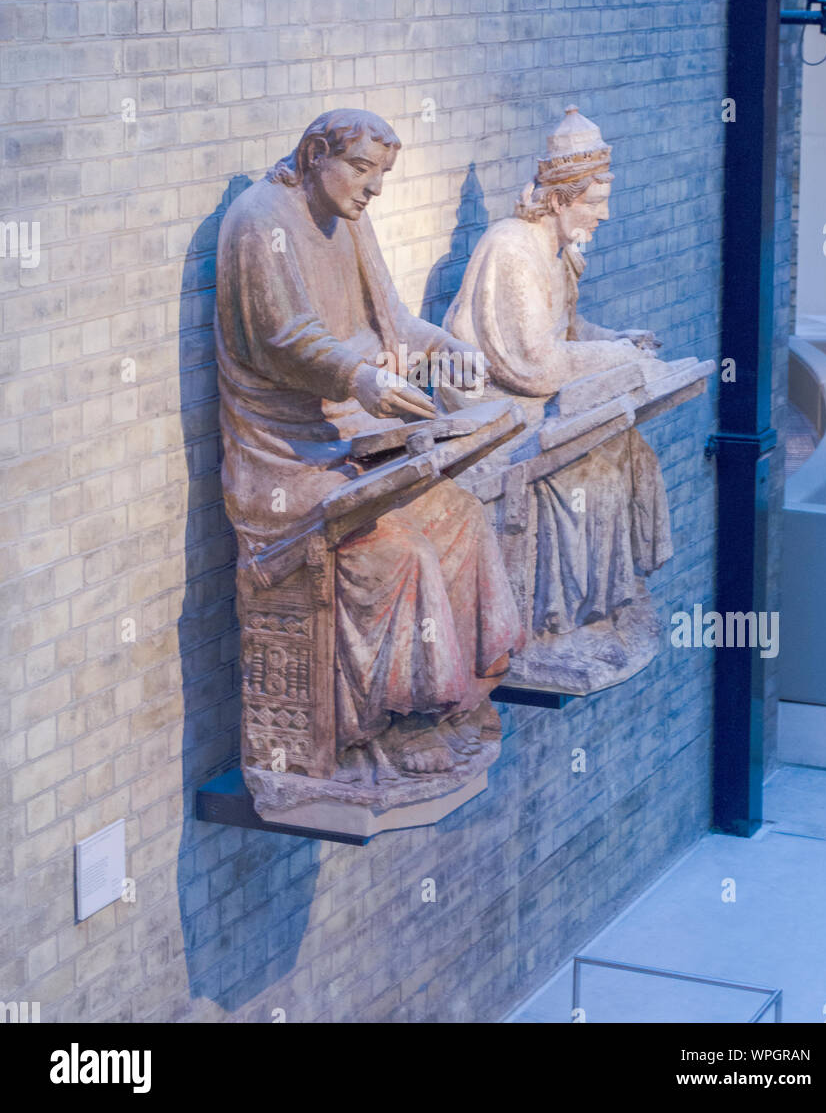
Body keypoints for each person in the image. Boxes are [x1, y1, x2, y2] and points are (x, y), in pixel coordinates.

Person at [215, 109, 522, 781]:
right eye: (361, 169)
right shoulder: (259, 221)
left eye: (380, 174)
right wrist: (360, 378)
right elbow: (281, 339)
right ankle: (390, 725)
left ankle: (453, 702)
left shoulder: (349, 218)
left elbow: (394, 319)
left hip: (355, 440)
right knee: (401, 556)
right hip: (286, 460)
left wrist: (447, 350)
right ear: (314, 151)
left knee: (461, 519)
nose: (373, 189)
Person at [443, 106, 673, 635]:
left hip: (529, 397)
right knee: (587, 470)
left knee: (627, 449)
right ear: (560, 197)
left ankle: (608, 606)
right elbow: (536, 365)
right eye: (594, 201)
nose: (604, 215)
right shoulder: (511, 248)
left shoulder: (558, 252)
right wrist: (623, 361)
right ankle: (554, 621)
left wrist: (617, 340)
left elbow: (566, 333)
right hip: (494, 418)